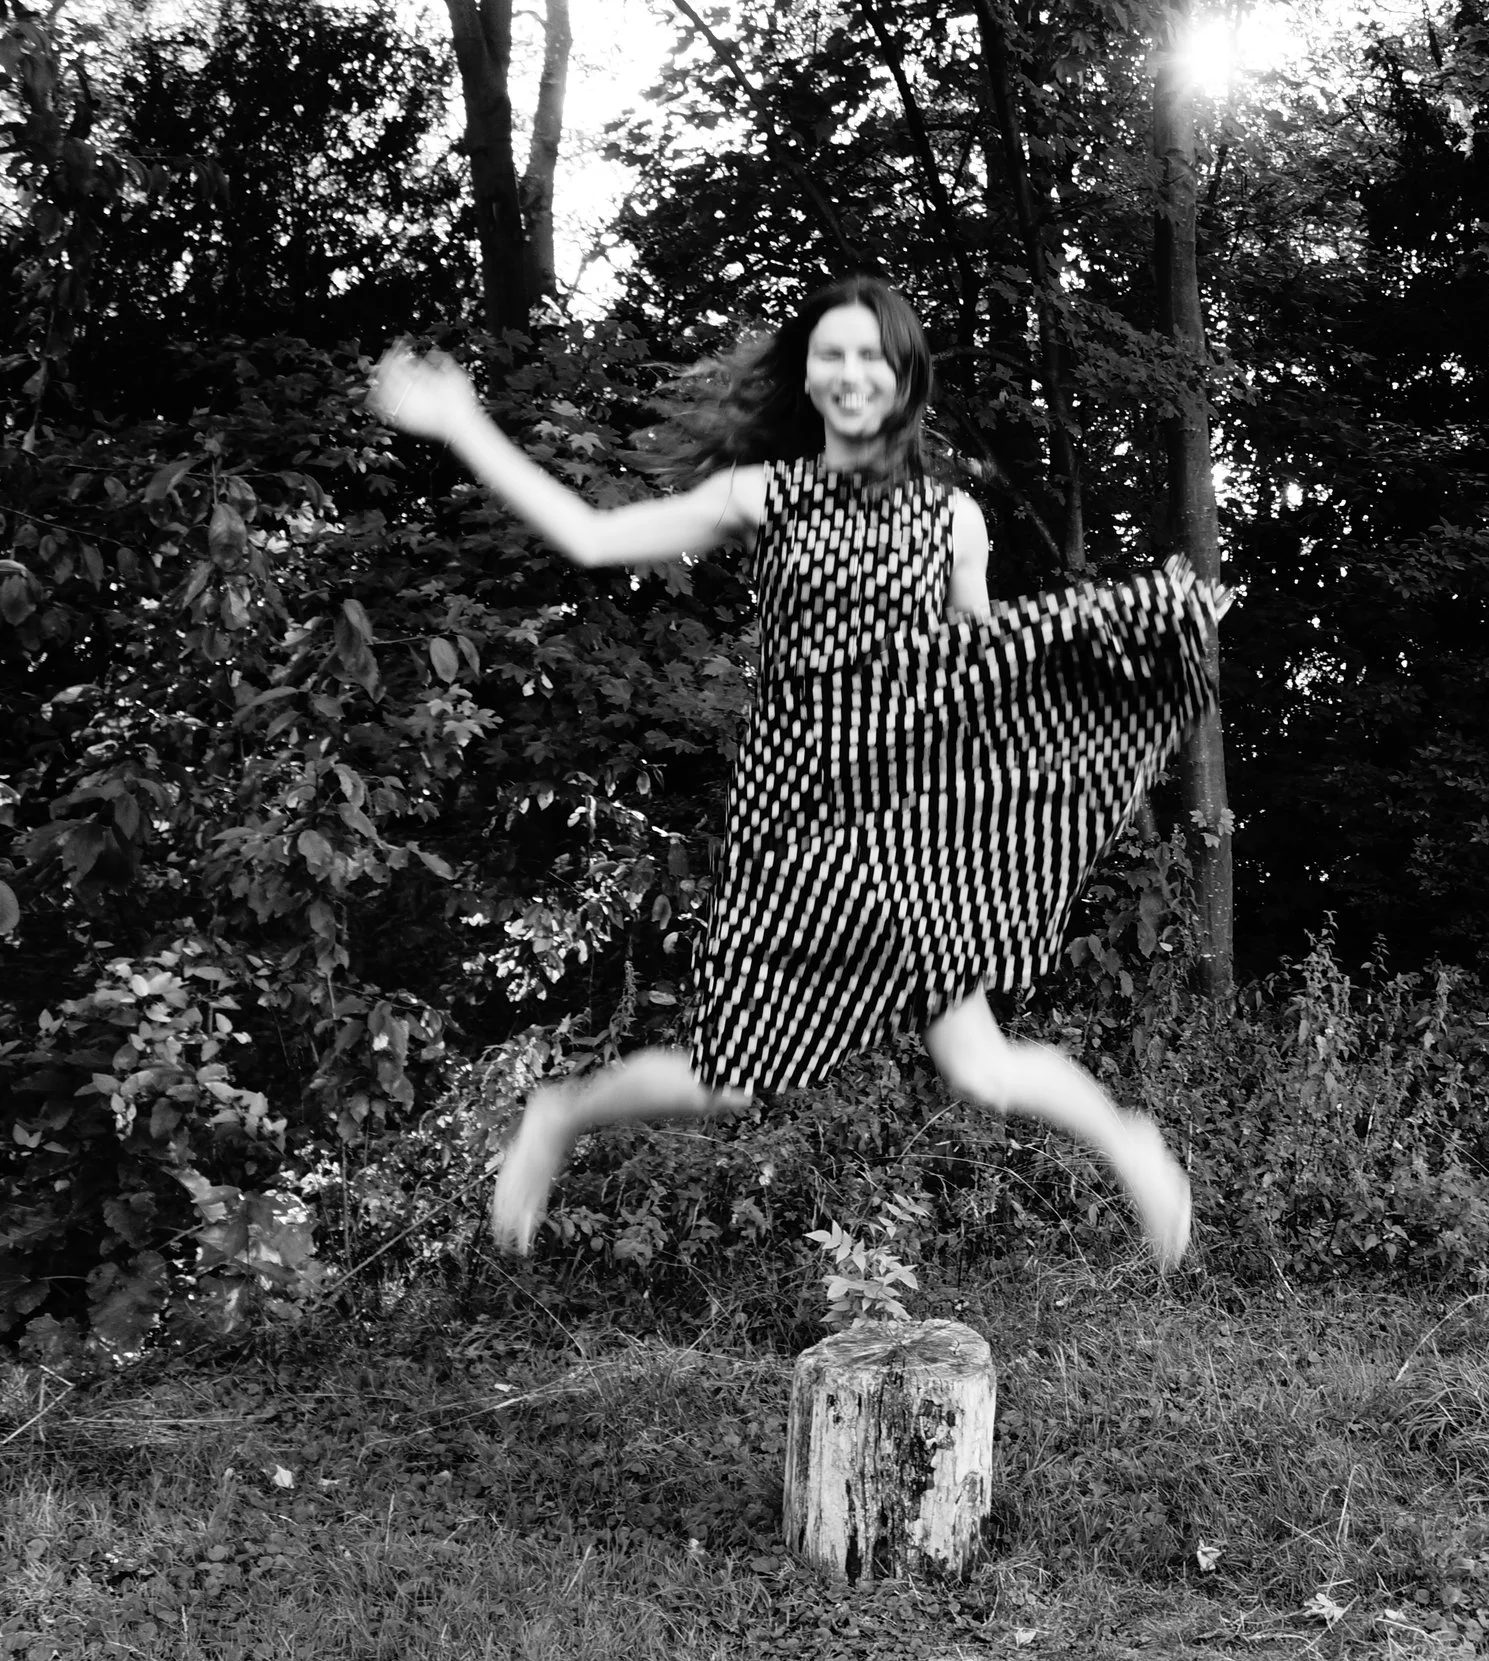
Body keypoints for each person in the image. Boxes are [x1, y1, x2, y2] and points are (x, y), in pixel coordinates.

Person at [366, 275, 1225, 1269]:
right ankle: (557, 1117)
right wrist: (464, 423)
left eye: (871, 356)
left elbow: (986, 670)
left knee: (979, 1063)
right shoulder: (759, 496)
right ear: (809, 376)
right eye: (832, 354)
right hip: (792, 810)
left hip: (899, 817)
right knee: (723, 1080)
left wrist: (1125, 658)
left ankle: (1128, 1141)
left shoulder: (954, 521)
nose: (851, 373)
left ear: (904, 377)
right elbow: (593, 537)